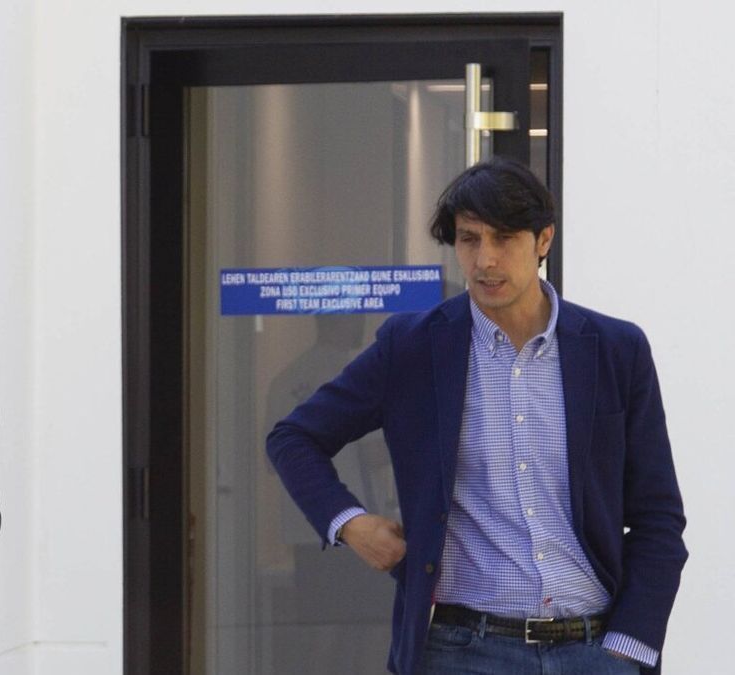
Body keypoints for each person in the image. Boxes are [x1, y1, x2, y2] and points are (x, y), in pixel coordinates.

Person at [267, 157, 686, 675]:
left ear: (543, 240)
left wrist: (629, 647)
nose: (485, 259)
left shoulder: (615, 350)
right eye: (469, 239)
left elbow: (658, 518)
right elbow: (294, 438)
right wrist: (350, 523)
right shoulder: (415, 347)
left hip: (594, 648)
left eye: (504, 238)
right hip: (463, 651)